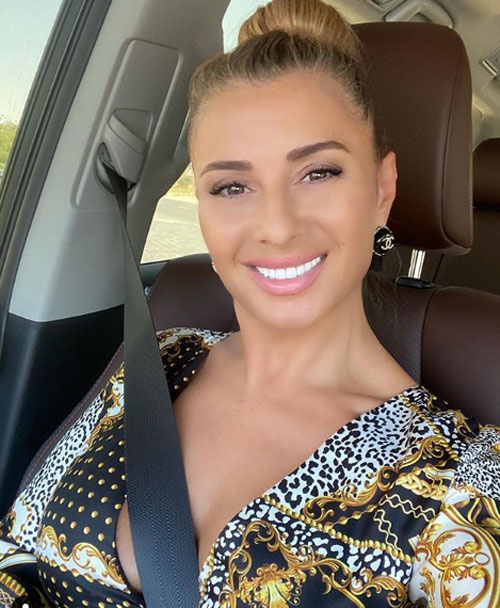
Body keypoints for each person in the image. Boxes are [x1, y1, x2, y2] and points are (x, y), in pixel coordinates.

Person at [1, 0, 500, 606]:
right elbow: (14, 554)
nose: (277, 227)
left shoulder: (464, 486)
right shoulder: (160, 358)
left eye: (318, 172)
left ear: (382, 189)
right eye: (232, 186)